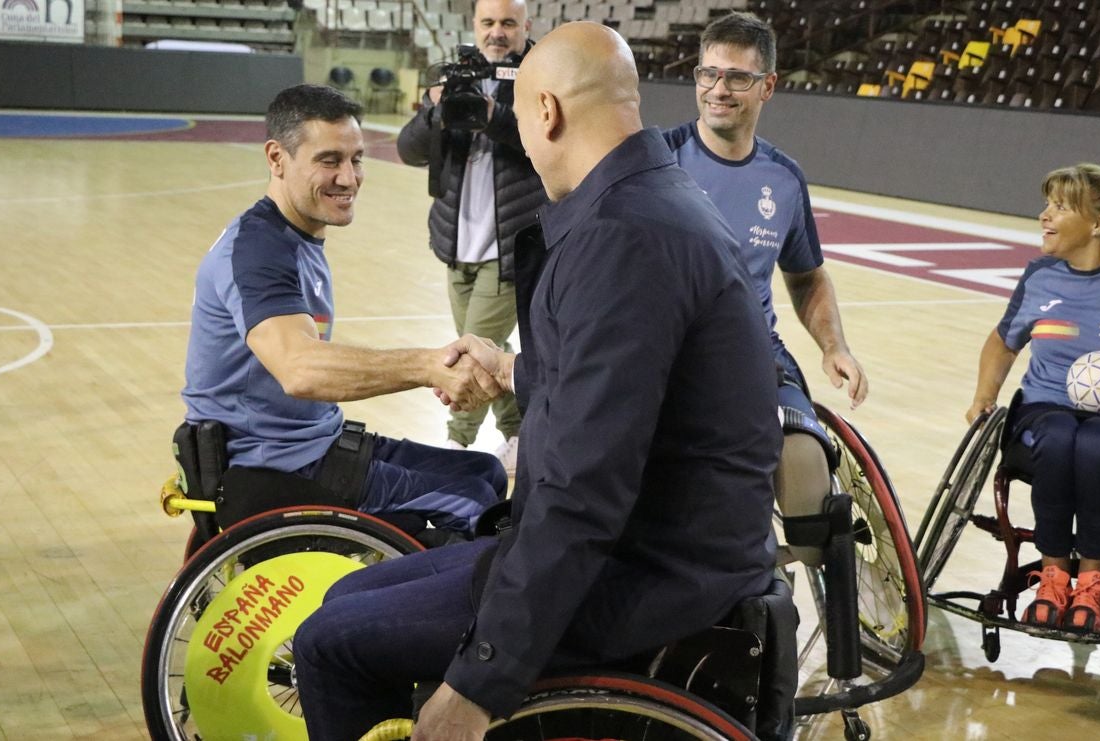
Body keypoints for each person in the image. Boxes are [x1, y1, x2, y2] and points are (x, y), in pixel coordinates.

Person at [293, 22, 783, 741]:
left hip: (651, 573)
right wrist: (514, 369)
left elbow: (583, 490)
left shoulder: (623, 237)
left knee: (329, 644)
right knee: (346, 596)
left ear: (546, 111)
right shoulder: (652, 200)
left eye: (519, 116)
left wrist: (481, 679)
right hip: (664, 543)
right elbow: (627, 382)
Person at [182, 83, 507, 536]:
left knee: (486, 473)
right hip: (269, 467)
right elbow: (301, 370)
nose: (349, 178)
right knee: (471, 503)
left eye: (356, 159)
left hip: (312, 445)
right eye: (329, 160)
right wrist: (430, 366)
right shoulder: (257, 250)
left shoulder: (294, 236)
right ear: (276, 158)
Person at [661, 11, 868, 567]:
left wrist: (833, 346)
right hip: (664, 354)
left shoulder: (782, 177)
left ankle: (767, 581)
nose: (718, 89)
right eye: (708, 74)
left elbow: (805, 276)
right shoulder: (656, 160)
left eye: (737, 78)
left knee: (804, 468)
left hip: (753, 353)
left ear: (768, 86)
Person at [966, 163, 1100, 633]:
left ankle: (1092, 580)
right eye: (1047, 204)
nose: (1043, 216)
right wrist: (984, 396)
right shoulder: (1041, 275)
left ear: (1099, 224)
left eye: (1059, 207)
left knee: (1093, 441)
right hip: (1045, 410)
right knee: (1058, 434)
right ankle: (1052, 573)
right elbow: (1003, 340)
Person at [396, 0, 548, 474]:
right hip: (456, 247)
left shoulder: (541, 79)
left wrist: (491, 114)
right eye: (488, 23)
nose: (497, 33)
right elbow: (409, 151)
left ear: (527, 27)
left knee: (471, 348)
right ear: (474, 28)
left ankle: (454, 447)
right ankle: (523, 437)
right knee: (490, 351)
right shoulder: (456, 76)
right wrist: (436, 110)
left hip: (508, 249)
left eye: (508, 23)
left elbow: (544, 144)